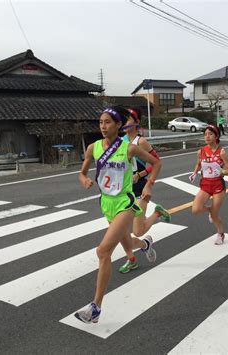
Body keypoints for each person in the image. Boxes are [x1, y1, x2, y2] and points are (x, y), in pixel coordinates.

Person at [75, 106, 162, 324]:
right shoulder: (93, 148)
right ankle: (145, 245)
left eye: (108, 122)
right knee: (128, 243)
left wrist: (149, 185)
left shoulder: (129, 148)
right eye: (101, 122)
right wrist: (83, 179)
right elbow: (82, 170)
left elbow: (156, 163)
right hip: (106, 204)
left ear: (117, 125)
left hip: (125, 202)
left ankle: (96, 306)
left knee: (103, 251)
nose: (103, 126)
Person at [118, 107, 171, 274]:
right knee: (121, 232)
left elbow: (156, 162)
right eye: (123, 118)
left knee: (137, 231)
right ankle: (132, 258)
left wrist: (142, 175)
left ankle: (157, 214)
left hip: (140, 187)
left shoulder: (140, 142)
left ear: (136, 122)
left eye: (128, 118)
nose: (124, 121)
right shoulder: (120, 140)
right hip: (125, 191)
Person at [189, 125, 228, 245]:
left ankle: (220, 233)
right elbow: (198, 164)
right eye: (205, 134)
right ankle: (209, 209)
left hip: (218, 186)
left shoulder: (222, 152)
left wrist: (222, 171)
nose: (207, 136)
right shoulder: (201, 151)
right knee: (195, 209)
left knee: (215, 216)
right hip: (205, 184)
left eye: (210, 134)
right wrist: (194, 173)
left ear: (216, 136)